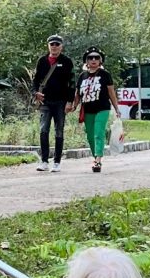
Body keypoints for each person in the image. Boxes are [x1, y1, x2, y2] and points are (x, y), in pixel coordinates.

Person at [32, 36, 76, 171]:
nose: (54, 46)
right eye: (52, 44)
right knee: (43, 130)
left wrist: (70, 101)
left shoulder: (67, 62)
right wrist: (35, 93)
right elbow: (35, 80)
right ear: (48, 46)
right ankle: (44, 161)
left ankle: (57, 162)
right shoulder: (42, 61)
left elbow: (72, 83)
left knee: (59, 131)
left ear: (61, 46)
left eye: (57, 44)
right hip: (45, 101)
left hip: (61, 102)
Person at [76, 50, 116, 176]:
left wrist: (117, 108)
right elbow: (77, 94)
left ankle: (98, 160)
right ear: (86, 61)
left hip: (102, 108)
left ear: (100, 61)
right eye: (90, 58)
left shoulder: (105, 74)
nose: (93, 60)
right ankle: (95, 157)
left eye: (96, 58)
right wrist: (73, 105)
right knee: (90, 135)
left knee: (99, 132)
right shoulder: (82, 76)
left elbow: (111, 92)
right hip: (87, 110)